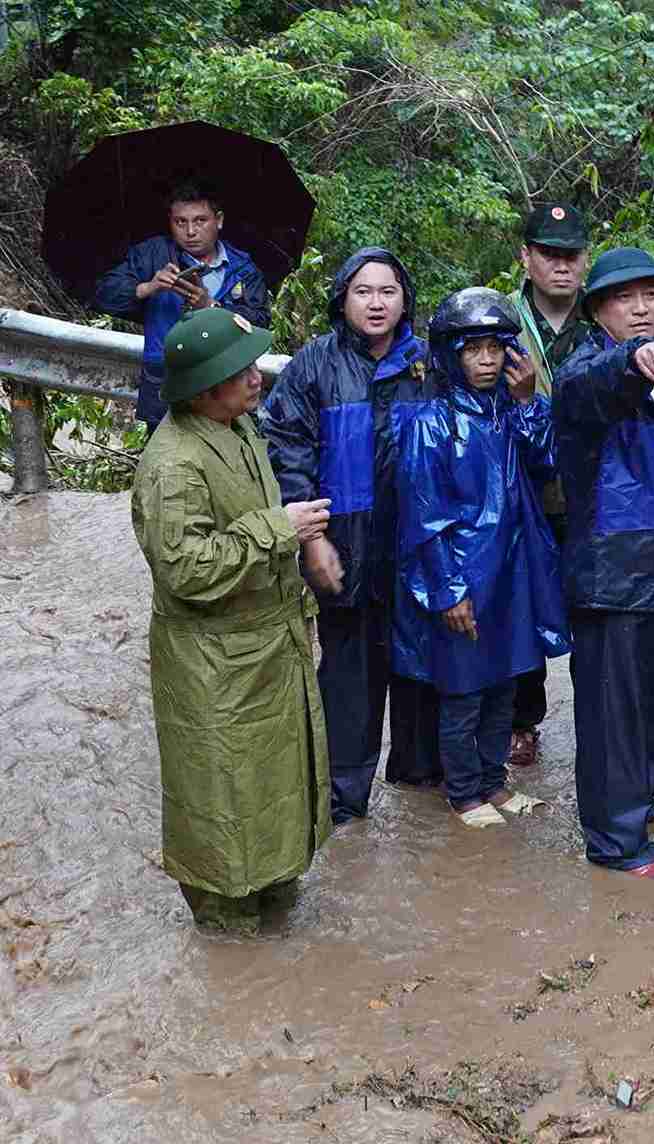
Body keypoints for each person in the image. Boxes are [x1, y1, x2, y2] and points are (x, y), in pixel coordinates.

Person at [131, 307, 330, 936]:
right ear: (205, 389)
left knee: (276, 784)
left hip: (266, 646)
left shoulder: (239, 428)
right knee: (223, 795)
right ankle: (227, 932)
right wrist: (281, 529)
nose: (256, 379)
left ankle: (273, 903)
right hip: (215, 665)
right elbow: (186, 569)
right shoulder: (173, 466)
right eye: (240, 372)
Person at [260, 248, 441, 825]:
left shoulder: (429, 365)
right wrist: (312, 540)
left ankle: (420, 777)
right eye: (363, 291)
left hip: (416, 552)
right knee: (348, 677)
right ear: (343, 298)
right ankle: (342, 798)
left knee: (419, 670)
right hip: (346, 549)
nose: (376, 303)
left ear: (405, 299)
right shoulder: (314, 363)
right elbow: (287, 451)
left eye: (388, 291)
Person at [392, 288, 568, 827]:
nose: (487, 360)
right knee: (463, 692)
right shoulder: (430, 423)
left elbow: (547, 461)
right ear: (451, 355)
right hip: (464, 577)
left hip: (513, 575)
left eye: (495, 348)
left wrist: (530, 401)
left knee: (504, 686)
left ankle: (493, 783)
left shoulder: (511, 413)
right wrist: (448, 590)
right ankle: (464, 791)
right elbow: (424, 517)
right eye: (474, 349)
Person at [552, 248, 654, 878]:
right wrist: (631, 366)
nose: (641, 308)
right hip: (613, 576)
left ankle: (642, 800)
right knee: (612, 715)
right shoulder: (585, 372)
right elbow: (594, 389)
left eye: (651, 296)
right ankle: (615, 842)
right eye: (623, 298)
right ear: (598, 310)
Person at [507, 203, 591, 769]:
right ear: (526, 257)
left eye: (571, 255)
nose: (561, 266)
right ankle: (521, 721)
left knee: (592, 609)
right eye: (549, 254)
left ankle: (600, 717)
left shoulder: (603, 316)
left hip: (587, 497)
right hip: (522, 495)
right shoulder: (502, 320)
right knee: (521, 605)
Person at [95, 182, 271, 436]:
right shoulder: (152, 254)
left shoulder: (242, 267)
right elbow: (104, 294)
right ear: (170, 221)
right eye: (180, 222)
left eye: (200, 221)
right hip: (167, 386)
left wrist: (211, 307)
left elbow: (260, 321)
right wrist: (147, 287)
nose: (190, 231)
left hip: (229, 387)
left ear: (218, 220)